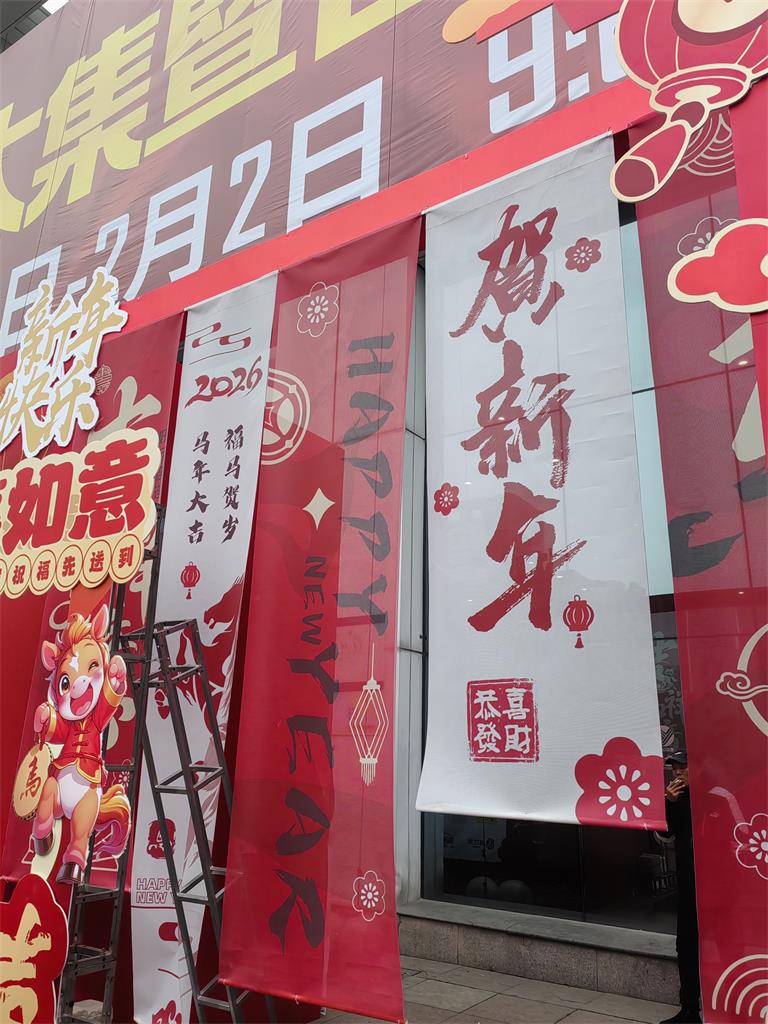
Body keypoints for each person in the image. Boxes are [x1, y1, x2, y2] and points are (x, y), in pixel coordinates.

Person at [659, 753, 701, 1024]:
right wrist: (669, 803)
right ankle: (689, 1010)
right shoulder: (676, 800)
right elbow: (664, 835)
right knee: (685, 946)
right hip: (687, 886)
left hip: (718, 889)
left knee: (716, 947)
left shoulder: (715, 796)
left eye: (683, 766)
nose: (677, 772)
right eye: (673, 767)